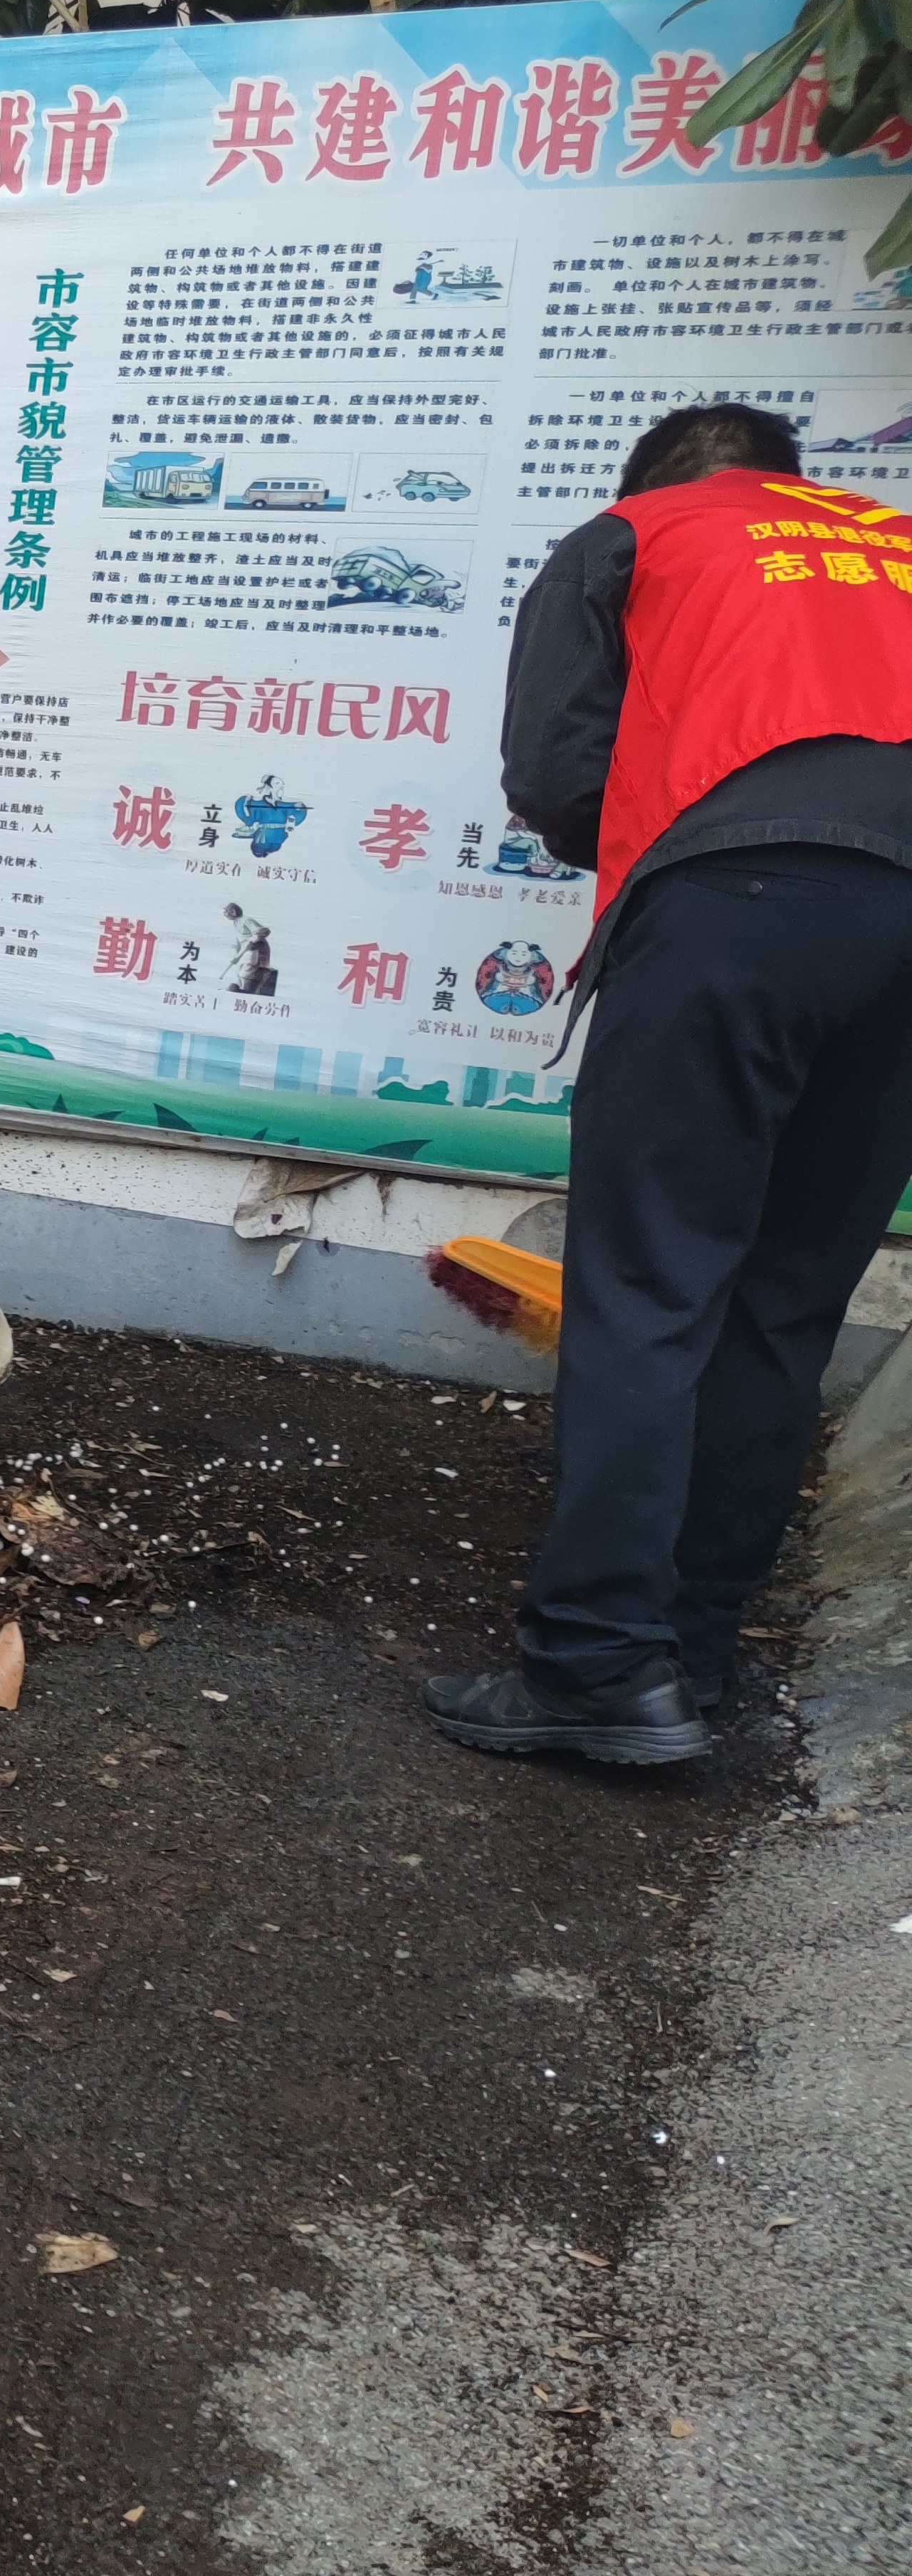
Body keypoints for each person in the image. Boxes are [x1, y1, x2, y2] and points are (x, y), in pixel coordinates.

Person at [429, 401, 912, 1767]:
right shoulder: (891, 544)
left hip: (741, 890)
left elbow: (560, 772)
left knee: (651, 1284)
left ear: (655, 480)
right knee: (782, 1299)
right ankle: (690, 1658)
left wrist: (676, 849)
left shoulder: (635, 535)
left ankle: (592, 1663)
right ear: (791, 485)